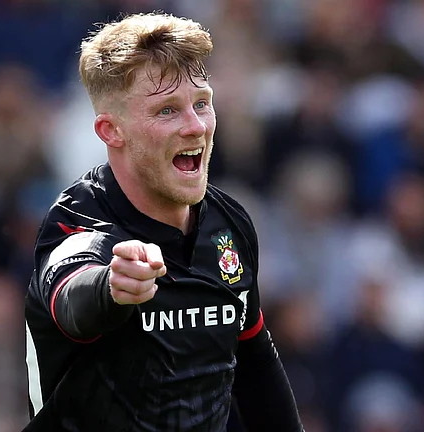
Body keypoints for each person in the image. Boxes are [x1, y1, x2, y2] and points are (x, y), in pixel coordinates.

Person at [24, 12, 304, 431]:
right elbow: (71, 300)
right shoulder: (78, 223)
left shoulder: (229, 222)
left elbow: (254, 360)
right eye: (167, 110)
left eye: (202, 103)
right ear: (110, 131)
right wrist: (112, 286)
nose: (196, 127)